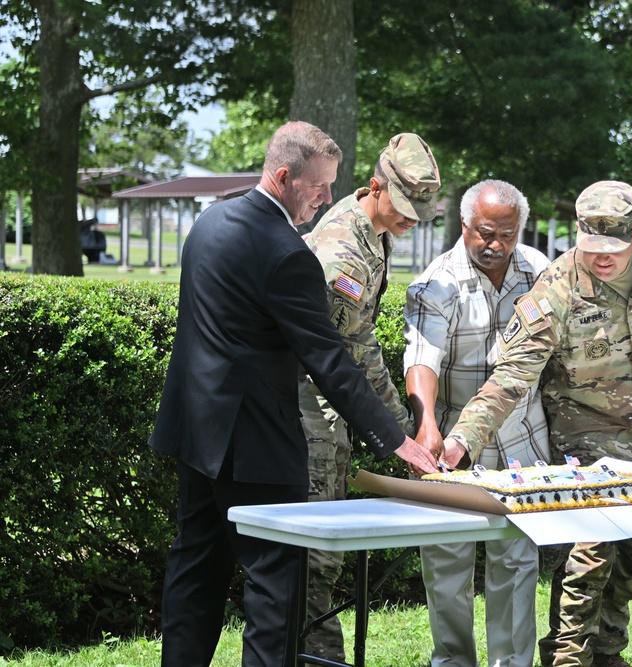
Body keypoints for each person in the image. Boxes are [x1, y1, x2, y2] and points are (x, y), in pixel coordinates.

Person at [149, 121, 441, 667]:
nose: (328, 198)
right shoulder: (289, 254)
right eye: (319, 187)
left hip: (197, 431)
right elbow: (329, 358)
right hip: (257, 444)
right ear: (283, 176)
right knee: (275, 586)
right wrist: (393, 437)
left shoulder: (210, 222)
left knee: (196, 570)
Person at [442, 180, 632, 667]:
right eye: (592, 247)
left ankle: (608, 654)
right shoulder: (557, 287)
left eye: (613, 248)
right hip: (588, 445)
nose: (602, 258)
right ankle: (566, 659)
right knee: (590, 557)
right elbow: (512, 375)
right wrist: (464, 437)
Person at [297, 132, 441, 661]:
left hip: (334, 404)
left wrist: (396, 423)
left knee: (324, 548)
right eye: (404, 208)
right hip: (313, 406)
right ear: (375, 186)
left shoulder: (374, 231)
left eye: (418, 213)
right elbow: (348, 351)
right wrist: (398, 430)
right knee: (313, 546)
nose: (410, 220)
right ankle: (318, 655)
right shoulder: (343, 249)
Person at [404, 180, 551, 667]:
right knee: (447, 564)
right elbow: (421, 359)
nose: (496, 245)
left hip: (522, 444)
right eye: (485, 233)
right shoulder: (436, 282)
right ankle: (453, 661)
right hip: (453, 447)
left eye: (507, 234)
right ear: (464, 225)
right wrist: (425, 423)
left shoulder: (540, 272)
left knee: (516, 563)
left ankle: (512, 664)